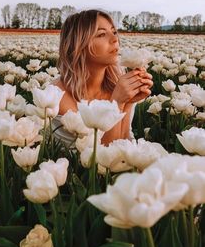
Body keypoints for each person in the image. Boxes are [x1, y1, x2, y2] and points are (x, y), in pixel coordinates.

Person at [53, 9, 153, 146]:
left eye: (114, 32)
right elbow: (102, 157)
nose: (114, 39)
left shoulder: (116, 85)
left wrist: (128, 102)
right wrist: (117, 102)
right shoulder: (58, 96)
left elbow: (123, 142)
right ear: (78, 45)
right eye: (101, 34)